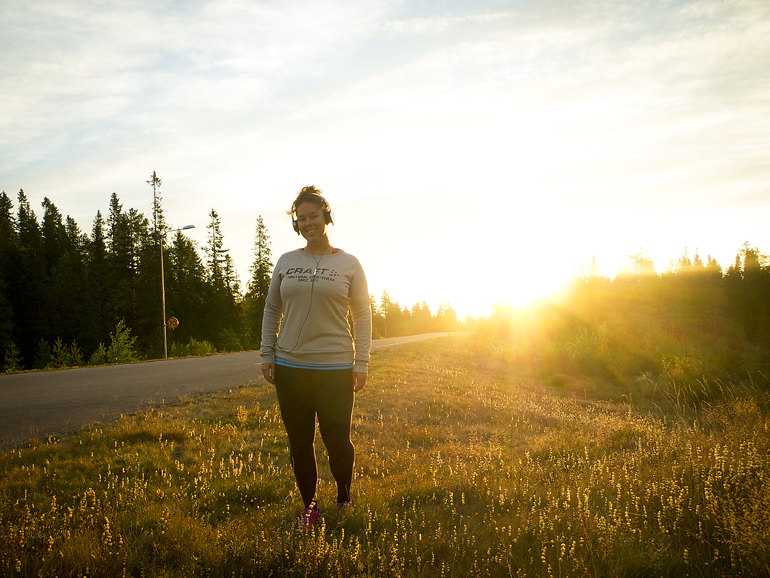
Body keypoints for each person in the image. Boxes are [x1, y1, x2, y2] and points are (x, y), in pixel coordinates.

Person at [261, 185, 372, 529]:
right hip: (290, 367)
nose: (308, 223)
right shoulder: (286, 261)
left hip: (335, 367)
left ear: (326, 216)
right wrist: (267, 353)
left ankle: (343, 496)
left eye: (313, 216)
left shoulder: (349, 263)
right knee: (299, 441)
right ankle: (310, 507)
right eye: (301, 218)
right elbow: (272, 308)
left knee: (337, 440)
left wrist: (362, 362)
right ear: (296, 224)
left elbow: (363, 314)